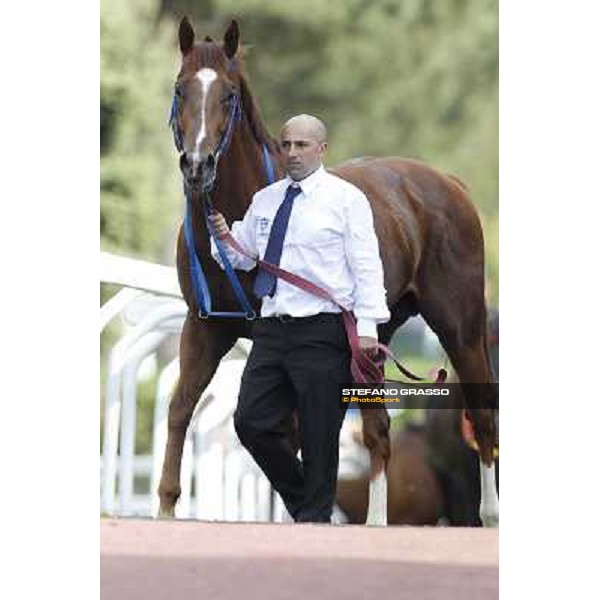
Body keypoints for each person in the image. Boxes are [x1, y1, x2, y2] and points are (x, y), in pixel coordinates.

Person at [208, 114, 390, 523]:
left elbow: (366, 266)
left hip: (322, 331)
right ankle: (309, 506)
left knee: (318, 435)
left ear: (322, 149)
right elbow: (241, 257)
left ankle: (314, 524)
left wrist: (368, 329)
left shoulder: (347, 199)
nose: (291, 153)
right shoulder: (266, 199)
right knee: (250, 422)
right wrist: (223, 237)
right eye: (286, 144)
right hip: (271, 329)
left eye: (302, 145)